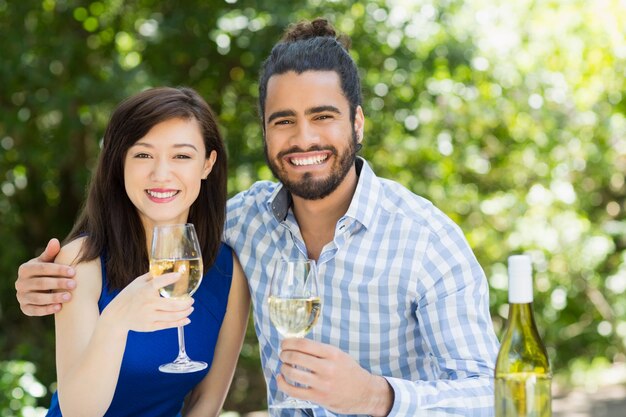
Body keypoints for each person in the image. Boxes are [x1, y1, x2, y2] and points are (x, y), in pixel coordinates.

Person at [16, 19, 498, 416]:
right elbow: (165, 213)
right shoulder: (245, 224)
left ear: (357, 122)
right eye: (283, 120)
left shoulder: (426, 238)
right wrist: (39, 281)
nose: (303, 138)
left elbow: (498, 396)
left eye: (323, 116)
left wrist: (377, 395)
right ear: (265, 131)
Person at [37, 86, 250, 417]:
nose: (161, 174)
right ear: (119, 163)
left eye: (181, 156)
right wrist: (117, 319)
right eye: (143, 155)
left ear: (207, 164)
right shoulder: (82, 263)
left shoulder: (227, 271)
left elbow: (205, 403)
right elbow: (79, 410)